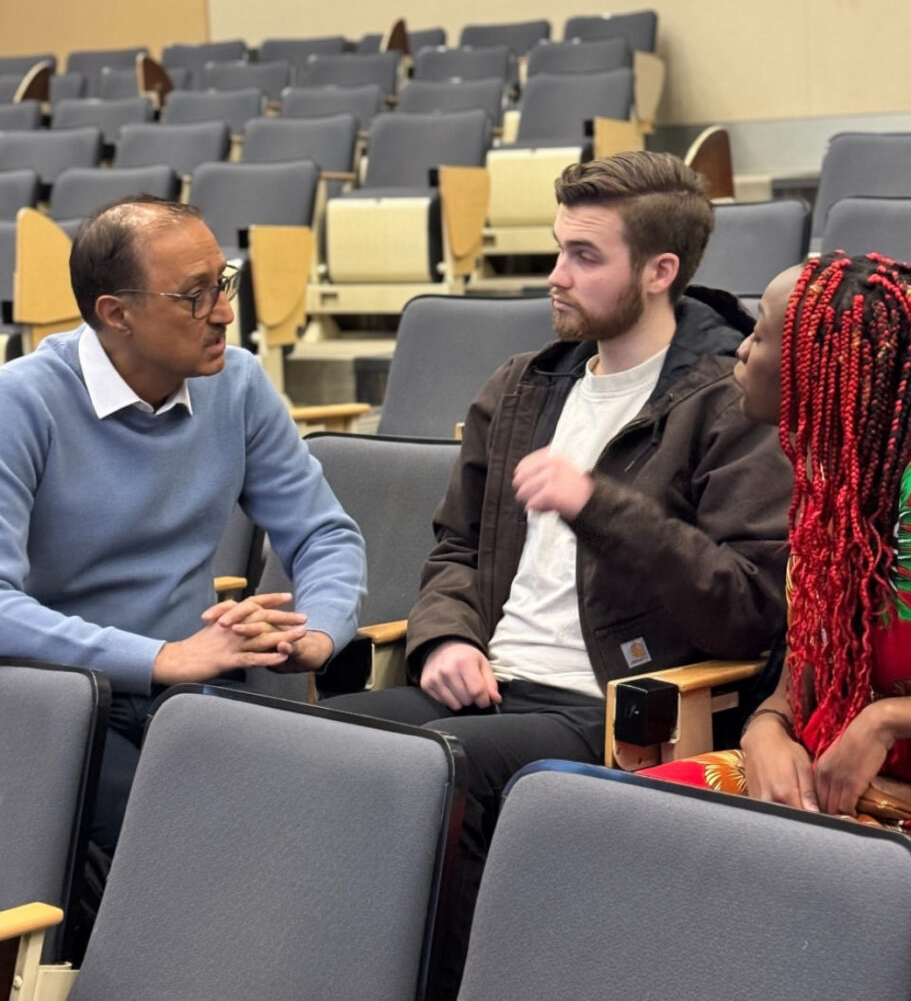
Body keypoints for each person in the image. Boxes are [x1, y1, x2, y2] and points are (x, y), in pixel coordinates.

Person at [323, 150, 791, 996]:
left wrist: (599, 504)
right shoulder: (523, 390)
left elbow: (750, 609)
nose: (556, 276)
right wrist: (443, 639)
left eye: (584, 256)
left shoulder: (731, 401)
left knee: (434, 768)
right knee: (307, 744)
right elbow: (457, 550)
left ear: (660, 271)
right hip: (486, 681)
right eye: (557, 249)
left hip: (616, 705)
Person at [644, 251, 911, 1000]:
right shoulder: (829, 494)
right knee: (612, 824)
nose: (740, 353)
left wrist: (885, 719)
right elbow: (796, 688)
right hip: (828, 792)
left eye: (760, 335)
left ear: (821, 366)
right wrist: (764, 734)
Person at [0, 196, 366, 858]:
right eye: (195, 296)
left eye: (222, 282)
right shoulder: (21, 403)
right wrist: (160, 657)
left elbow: (323, 535)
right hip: (60, 696)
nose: (225, 311)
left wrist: (319, 630)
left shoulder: (240, 385)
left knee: (315, 824)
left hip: (199, 688)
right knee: (171, 845)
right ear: (118, 314)